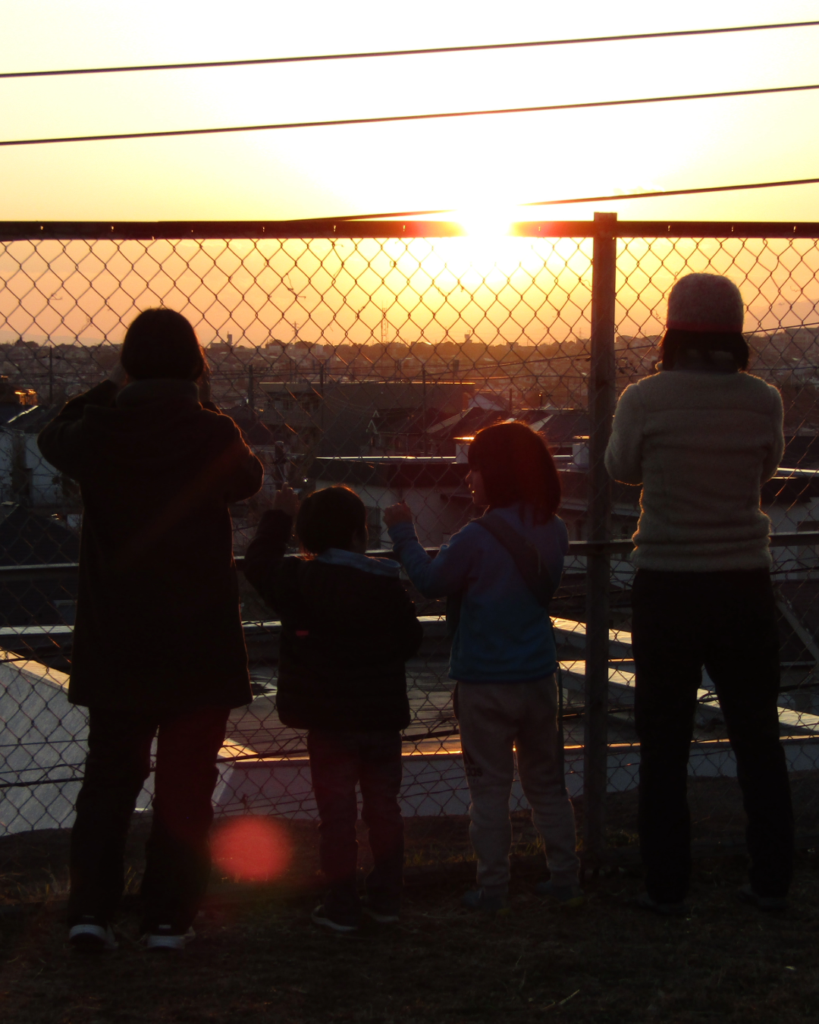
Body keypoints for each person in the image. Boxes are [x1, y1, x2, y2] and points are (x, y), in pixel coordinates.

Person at [38, 308, 263, 951]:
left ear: (127, 363)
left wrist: (110, 387)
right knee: (186, 786)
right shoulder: (211, 433)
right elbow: (249, 480)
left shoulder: (99, 430)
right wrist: (199, 402)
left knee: (109, 781)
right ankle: (168, 918)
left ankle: (92, 912)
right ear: (196, 365)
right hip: (199, 642)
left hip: (118, 638)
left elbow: (52, 436)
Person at [605, 272, 794, 914]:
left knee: (664, 742)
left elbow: (620, 467)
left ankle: (666, 886)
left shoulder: (644, 397)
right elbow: (767, 469)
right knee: (757, 735)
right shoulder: (763, 399)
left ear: (672, 329)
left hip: (668, 582)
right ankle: (770, 879)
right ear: (736, 331)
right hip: (744, 581)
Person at [385, 422, 582, 915]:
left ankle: (492, 887)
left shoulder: (475, 536)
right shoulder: (555, 529)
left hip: (484, 681)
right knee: (547, 784)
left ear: (496, 473)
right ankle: (565, 876)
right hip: (538, 676)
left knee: (489, 789)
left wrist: (404, 533)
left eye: (474, 469)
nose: (468, 479)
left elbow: (431, 581)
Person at [243, 484, 423, 932]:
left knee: (336, 815)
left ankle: (341, 903)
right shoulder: (386, 583)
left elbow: (258, 564)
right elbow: (411, 640)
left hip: (328, 722)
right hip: (380, 718)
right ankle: (387, 898)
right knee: (384, 808)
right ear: (361, 534)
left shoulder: (300, 580)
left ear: (306, 538)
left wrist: (278, 516)